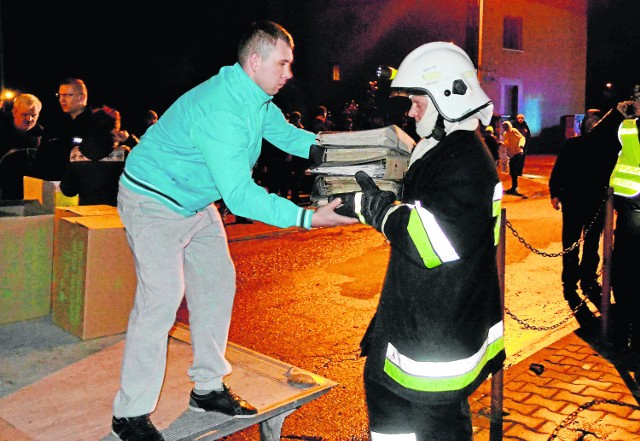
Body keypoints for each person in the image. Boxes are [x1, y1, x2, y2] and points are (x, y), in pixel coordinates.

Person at [111, 20, 357, 441]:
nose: (289, 73)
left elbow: (288, 136)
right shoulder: (221, 108)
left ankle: (207, 390)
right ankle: (129, 415)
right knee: (161, 299)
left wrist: (348, 153)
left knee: (217, 283)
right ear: (256, 61)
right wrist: (309, 218)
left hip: (194, 200)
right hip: (152, 200)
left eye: (290, 64)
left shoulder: (257, 100)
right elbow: (241, 197)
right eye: (283, 63)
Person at [330, 42, 505, 440]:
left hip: (436, 341)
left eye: (416, 102)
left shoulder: (464, 162)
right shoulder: (449, 150)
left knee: (437, 428)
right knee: (395, 419)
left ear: (447, 97)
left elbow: (431, 241)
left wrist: (373, 208)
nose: (410, 112)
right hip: (425, 322)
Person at [549, 109, 604, 327]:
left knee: (592, 245)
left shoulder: (606, 147)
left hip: (596, 204)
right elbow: (559, 170)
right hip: (573, 202)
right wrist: (555, 193)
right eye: (590, 120)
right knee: (570, 245)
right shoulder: (573, 145)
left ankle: (588, 280)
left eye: (597, 121)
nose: (593, 124)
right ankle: (569, 282)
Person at [59, 106, 129, 206]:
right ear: (114, 129)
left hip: (86, 214)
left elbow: (68, 190)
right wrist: (129, 140)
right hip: (114, 214)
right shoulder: (122, 154)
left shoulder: (76, 153)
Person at [32, 78, 93, 181]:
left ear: (81, 97)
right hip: (53, 186)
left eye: (67, 95)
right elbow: (41, 157)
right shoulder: (55, 124)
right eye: (60, 95)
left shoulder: (96, 123)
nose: (62, 99)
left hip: (84, 187)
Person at [0, 93, 44, 200]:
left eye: (33, 115)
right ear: (14, 112)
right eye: (24, 114)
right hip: (4, 196)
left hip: (33, 196)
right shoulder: (2, 132)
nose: (29, 119)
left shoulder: (42, 136)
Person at [502, 120, 526, 196]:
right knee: (512, 170)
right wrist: (503, 144)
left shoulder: (514, 131)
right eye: (504, 126)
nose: (505, 128)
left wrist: (521, 145)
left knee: (514, 169)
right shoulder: (505, 134)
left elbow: (522, 138)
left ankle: (515, 187)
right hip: (512, 154)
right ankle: (514, 187)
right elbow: (507, 143)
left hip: (518, 152)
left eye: (506, 126)